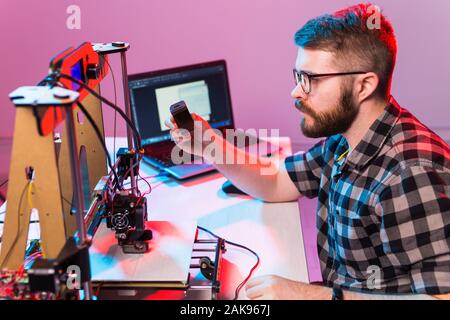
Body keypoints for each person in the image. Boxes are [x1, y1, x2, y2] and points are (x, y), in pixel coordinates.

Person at [165, 3, 450, 300]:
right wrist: (209, 145)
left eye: (311, 79)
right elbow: (276, 182)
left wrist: (312, 296)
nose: (296, 92)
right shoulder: (346, 139)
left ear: (364, 85)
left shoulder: (411, 174)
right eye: (298, 76)